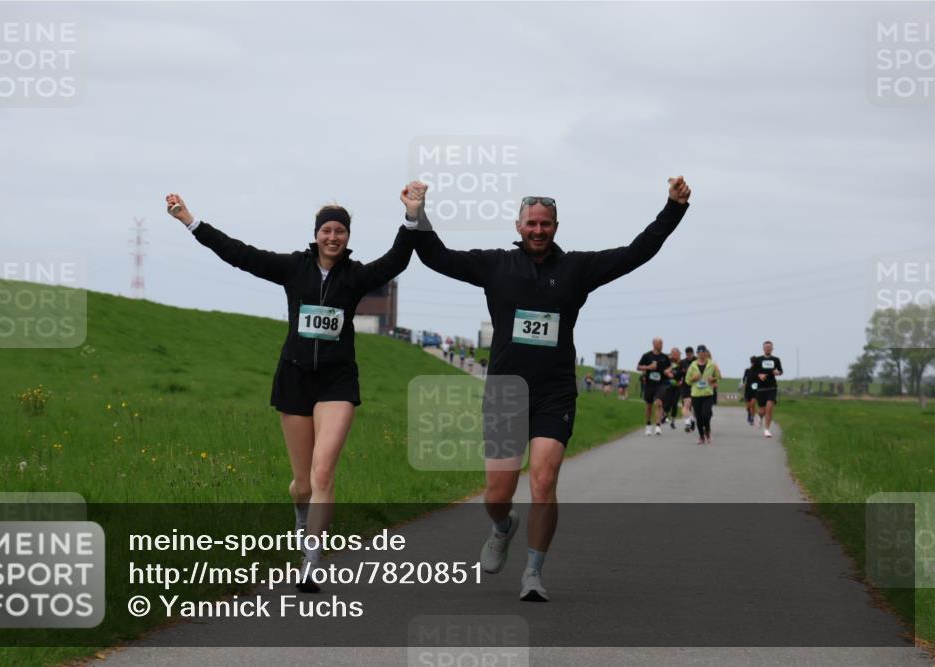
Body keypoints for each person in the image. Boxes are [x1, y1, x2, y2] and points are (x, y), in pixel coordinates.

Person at [403, 175, 691, 601]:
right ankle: (503, 527)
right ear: (518, 227)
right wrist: (415, 213)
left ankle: (533, 573)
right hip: (505, 392)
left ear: (557, 227)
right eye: (531, 224)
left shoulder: (577, 269)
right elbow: (436, 256)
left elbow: (637, 252)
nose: (539, 231)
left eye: (546, 224)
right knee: (497, 494)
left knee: (542, 480)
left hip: (555, 392)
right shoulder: (495, 265)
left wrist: (673, 208)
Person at [165, 191, 415, 592]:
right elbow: (238, 254)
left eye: (341, 231)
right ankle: (301, 517)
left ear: (348, 238)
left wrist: (412, 214)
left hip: (337, 382)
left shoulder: (356, 277)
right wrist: (189, 220)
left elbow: (398, 258)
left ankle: (312, 562)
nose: (333, 237)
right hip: (295, 378)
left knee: (322, 472)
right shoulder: (292, 269)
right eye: (327, 230)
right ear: (316, 235)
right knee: (301, 484)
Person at [685, 344, 721, 444]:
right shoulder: (693, 366)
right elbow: (687, 381)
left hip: (707, 394)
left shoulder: (712, 365)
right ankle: (701, 436)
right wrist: (694, 378)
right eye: (699, 352)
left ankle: (708, 432)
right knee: (699, 417)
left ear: (706, 353)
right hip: (696, 395)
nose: (701, 354)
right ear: (697, 354)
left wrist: (712, 379)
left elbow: (718, 377)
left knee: (706, 414)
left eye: (703, 352)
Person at [637, 337, 671, 436]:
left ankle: (658, 426)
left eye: (662, 343)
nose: (661, 345)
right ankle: (648, 426)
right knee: (649, 406)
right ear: (654, 344)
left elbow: (670, 366)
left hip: (661, 384)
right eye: (660, 343)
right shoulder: (647, 356)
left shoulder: (665, 357)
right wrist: (648, 367)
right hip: (649, 384)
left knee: (659, 403)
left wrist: (667, 371)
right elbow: (638, 367)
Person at [753, 340, 783, 437]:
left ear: (772, 348)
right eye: (766, 347)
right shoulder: (758, 360)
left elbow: (781, 371)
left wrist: (777, 372)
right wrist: (759, 375)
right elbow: (752, 372)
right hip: (761, 388)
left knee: (769, 408)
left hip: (772, 387)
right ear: (763, 348)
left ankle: (767, 429)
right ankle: (758, 416)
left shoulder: (776, 360)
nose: (768, 349)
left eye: (769, 347)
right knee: (762, 410)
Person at [664, 347, 685, 429]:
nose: (675, 355)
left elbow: (684, 373)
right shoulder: (668, 362)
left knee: (674, 403)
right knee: (667, 404)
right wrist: (668, 374)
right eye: (673, 353)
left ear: (679, 354)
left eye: (677, 353)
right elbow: (664, 371)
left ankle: (672, 421)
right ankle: (665, 415)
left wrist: (682, 381)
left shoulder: (682, 362)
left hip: (678, 385)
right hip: (668, 384)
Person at [679, 346, 697, 432]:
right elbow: (678, 373)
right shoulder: (682, 362)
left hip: (695, 386)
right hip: (685, 385)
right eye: (687, 354)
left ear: (693, 353)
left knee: (694, 406)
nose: (689, 355)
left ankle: (692, 419)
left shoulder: (697, 361)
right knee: (687, 404)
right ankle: (687, 423)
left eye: (690, 354)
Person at [742, 355, 759, 425]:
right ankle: (749, 413)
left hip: (755, 390)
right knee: (748, 407)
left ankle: (752, 417)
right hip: (748, 390)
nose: (753, 364)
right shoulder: (747, 370)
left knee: (753, 404)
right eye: (752, 362)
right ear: (751, 362)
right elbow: (744, 379)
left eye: (754, 362)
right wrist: (744, 384)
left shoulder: (758, 371)